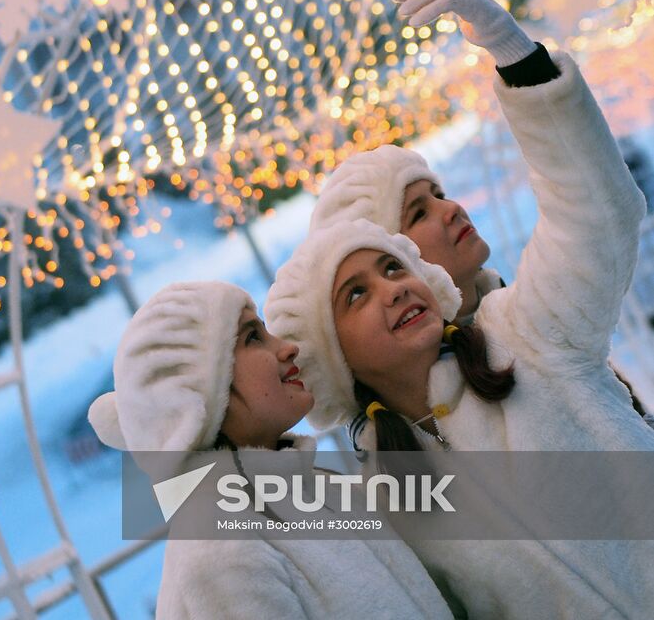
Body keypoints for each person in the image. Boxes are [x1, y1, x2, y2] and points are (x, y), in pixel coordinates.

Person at [265, 214, 654, 620]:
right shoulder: (382, 504)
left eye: (394, 267)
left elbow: (595, 220)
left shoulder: (524, 338)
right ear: (333, 358)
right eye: (356, 294)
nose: (395, 289)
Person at [88, 279, 455, 620]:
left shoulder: (312, 487)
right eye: (253, 337)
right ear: (198, 394)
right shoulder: (219, 549)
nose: (286, 347)